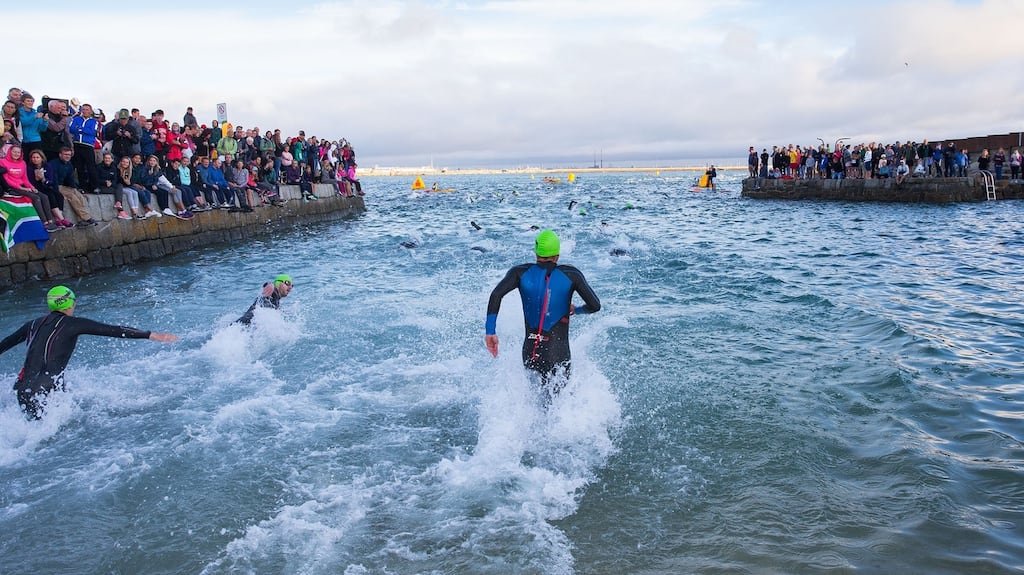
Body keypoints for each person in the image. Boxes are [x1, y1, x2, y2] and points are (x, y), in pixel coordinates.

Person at [0, 286, 177, 419]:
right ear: (70, 303)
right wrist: (150, 335)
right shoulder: (74, 324)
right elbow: (112, 330)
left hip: (22, 390)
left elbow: (5, 344)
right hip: (45, 391)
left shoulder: (31, 324)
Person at [485, 230, 601, 399]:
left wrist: (490, 332)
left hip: (530, 351)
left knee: (534, 401)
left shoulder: (519, 272)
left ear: (536, 252)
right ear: (557, 255)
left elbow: (496, 295)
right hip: (558, 353)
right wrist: (576, 310)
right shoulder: (572, 274)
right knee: (558, 404)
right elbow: (595, 305)